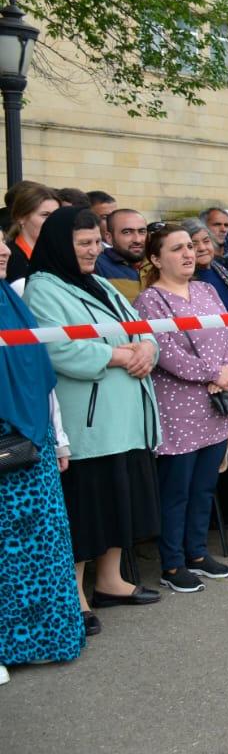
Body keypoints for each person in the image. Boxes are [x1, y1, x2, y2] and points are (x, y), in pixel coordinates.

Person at [23, 207, 163, 633]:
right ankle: (76, 595)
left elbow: (141, 326)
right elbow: (56, 349)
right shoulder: (42, 288)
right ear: (59, 245)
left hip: (125, 417)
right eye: (83, 243)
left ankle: (110, 580)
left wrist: (147, 348)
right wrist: (117, 355)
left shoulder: (99, 282)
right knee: (85, 510)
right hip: (89, 419)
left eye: (95, 243)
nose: (92, 250)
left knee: (119, 502)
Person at [133, 225, 228, 593]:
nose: (188, 254)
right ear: (155, 258)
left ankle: (197, 553)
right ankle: (172, 563)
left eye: (190, 247)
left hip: (215, 404)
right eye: (177, 248)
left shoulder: (207, 290)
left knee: (204, 486)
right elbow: (166, 352)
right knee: (176, 489)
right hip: (178, 409)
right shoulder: (150, 301)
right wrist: (214, 373)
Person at [0, 234, 83, 677]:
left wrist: (59, 438)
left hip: (33, 439)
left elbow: (40, 375)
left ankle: (45, 640)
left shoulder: (11, 300)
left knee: (43, 546)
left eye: (2, 242)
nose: (4, 251)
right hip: (6, 440)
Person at [3, 181, 60, 284]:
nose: (53, 221)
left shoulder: (61, 255)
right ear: (21, 217)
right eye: (45, 215)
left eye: (57, 215)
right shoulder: (9, 257)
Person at [184, 218, 228, 313]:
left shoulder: (224, 268)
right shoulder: (184, 281)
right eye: (193, 244)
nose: (202, 248)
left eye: (206, 241)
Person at [94, 209, 147, 301]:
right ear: (109, 237)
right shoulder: (96, 267)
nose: (137, 240)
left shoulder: (160, 265)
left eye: (142, 231)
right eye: (127, 232)